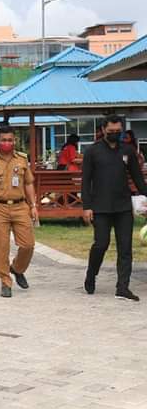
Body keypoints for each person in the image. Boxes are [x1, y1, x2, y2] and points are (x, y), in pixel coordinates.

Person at [82, 115, 147, 300]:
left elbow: (137, 178)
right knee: (101, 244)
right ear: (103, 130)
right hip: (100, 207)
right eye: (111, 131)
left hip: (123, 206)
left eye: (118, 131)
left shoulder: (128, 150)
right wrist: (87, 206)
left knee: (125, 248)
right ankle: (91, 274)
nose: (114, 134)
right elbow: (86, 181)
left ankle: (123, 287)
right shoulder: (92, 151)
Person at [0, 125, 38, 298]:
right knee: (1, 247)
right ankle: (5, 281)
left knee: (28, 244)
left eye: (10, 140)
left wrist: (33, 205)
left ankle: (17, 268)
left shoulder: (22, 159)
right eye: (3, 140)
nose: (7, 143)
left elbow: (28, 183)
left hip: (20, 206)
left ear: (14, 140)